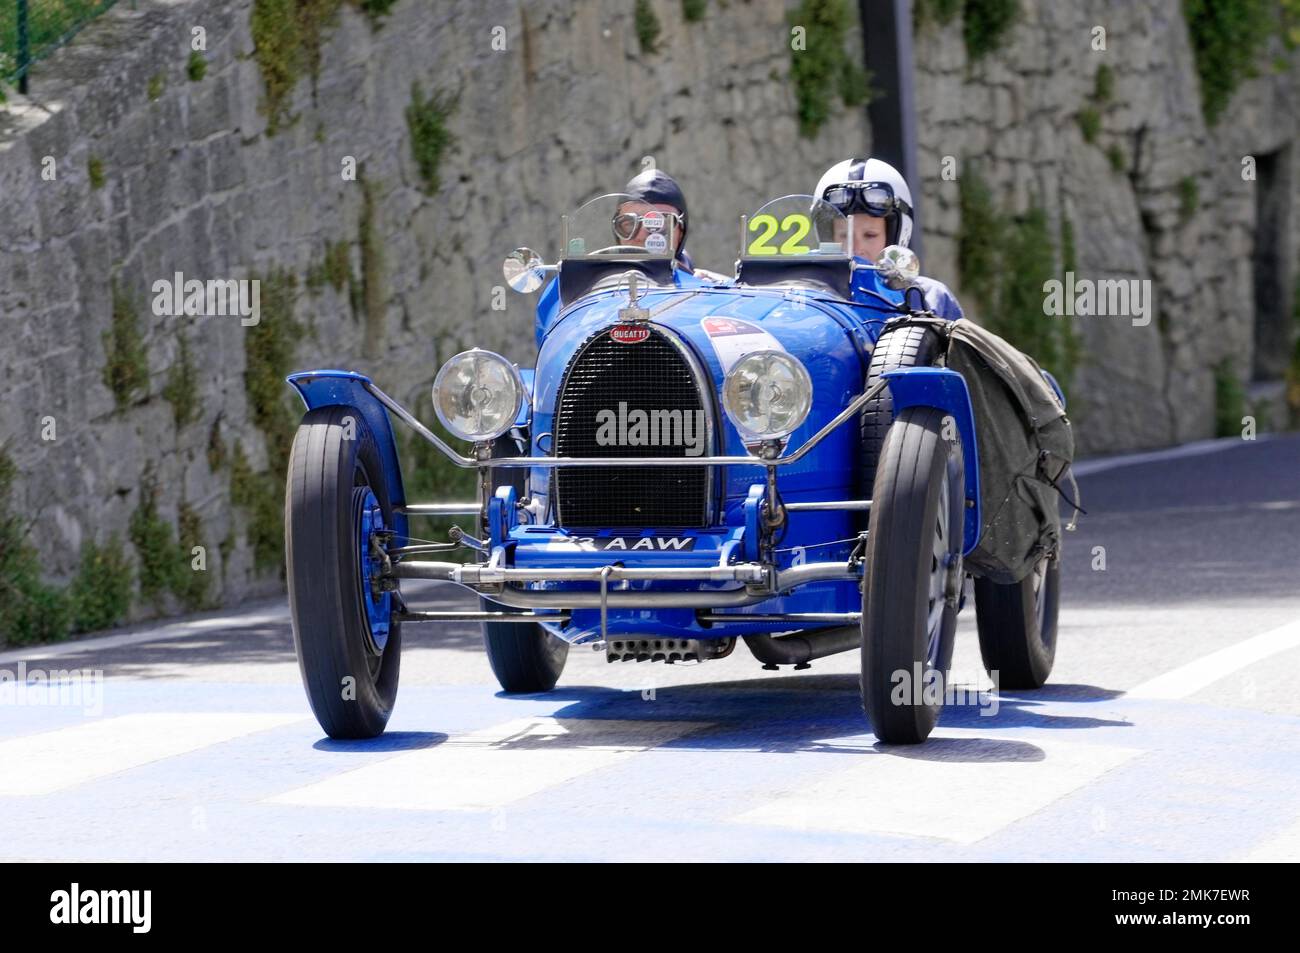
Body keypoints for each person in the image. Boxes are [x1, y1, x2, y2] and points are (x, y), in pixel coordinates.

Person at [813, 157, 964, 320]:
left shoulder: (929, 299)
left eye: (870, 235)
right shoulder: (811, 298)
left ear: (895, 235)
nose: (856, 248)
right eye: (845, 235)